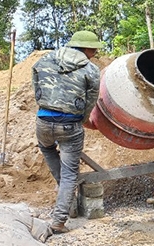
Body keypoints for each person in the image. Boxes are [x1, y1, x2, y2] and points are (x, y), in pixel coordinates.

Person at [32, 30, 102, 234]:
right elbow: (91, 100)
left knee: (47, 148)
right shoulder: (91, 69)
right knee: (70, 174)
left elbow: (36, 85)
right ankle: (58, 221)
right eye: (94, 49)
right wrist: (84, 119)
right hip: (70, 124)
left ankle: (66, 199)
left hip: (43, 119)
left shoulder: (45, 60)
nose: (96, 53)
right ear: (86, 48)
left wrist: (43, 104)